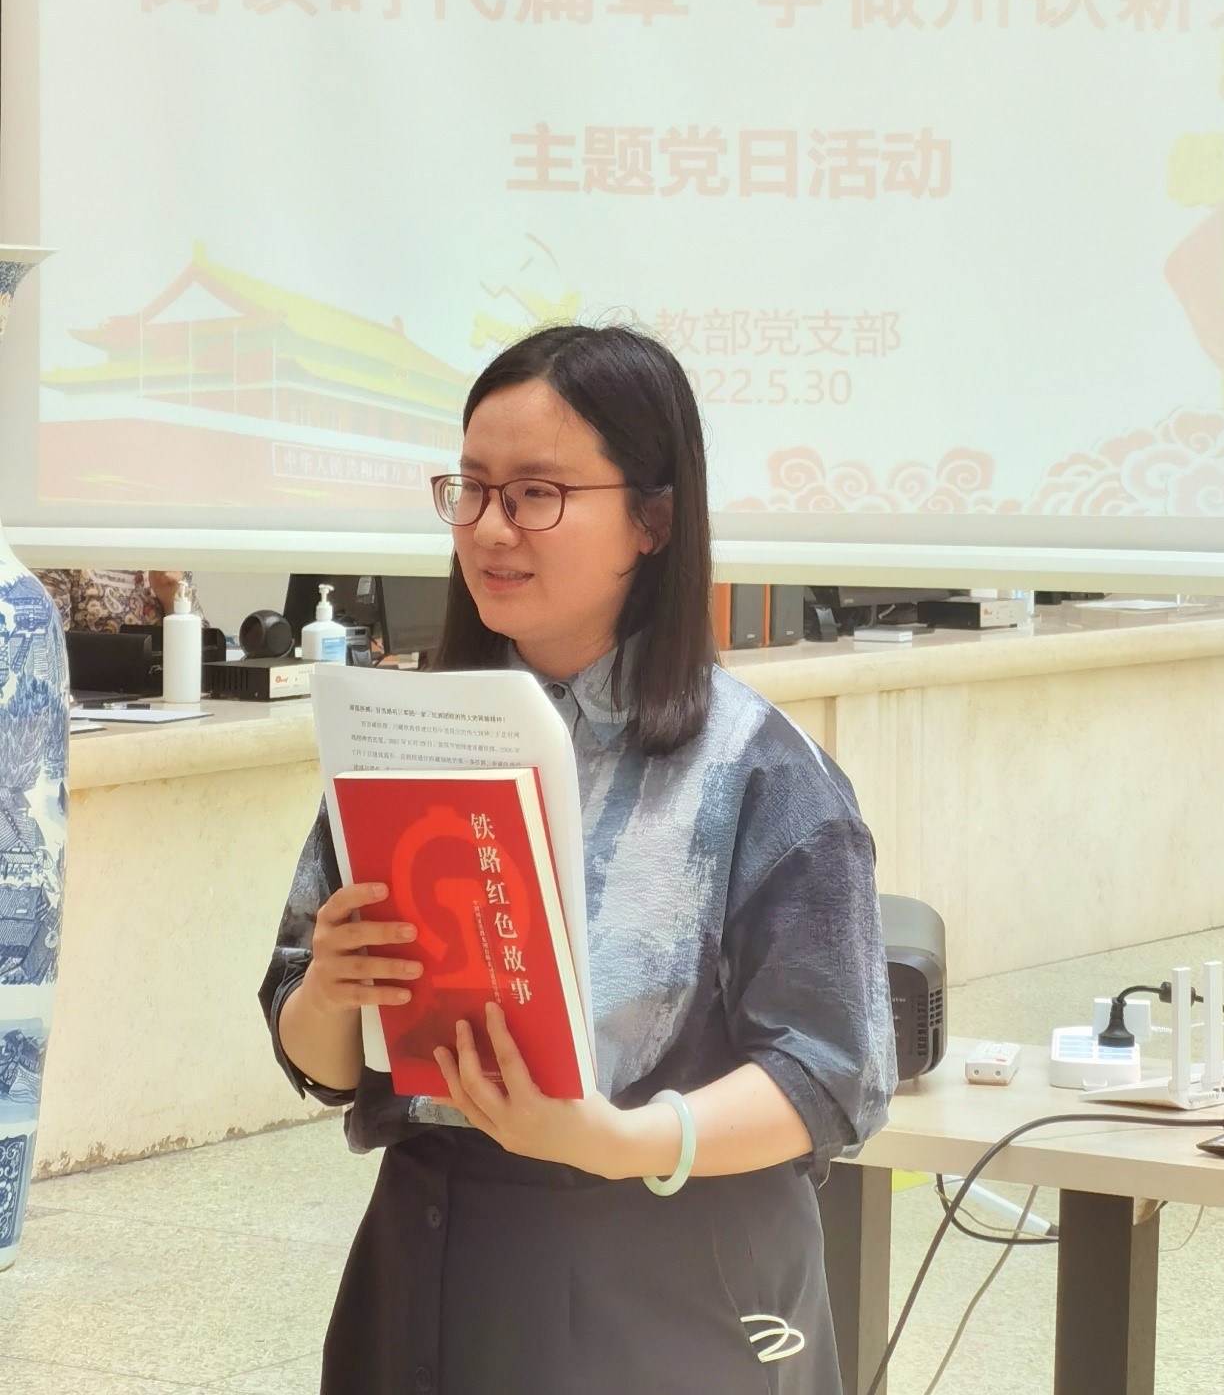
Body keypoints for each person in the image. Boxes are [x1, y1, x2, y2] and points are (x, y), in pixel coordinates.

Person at [260, 324, 898, 1394]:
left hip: (668, 1283)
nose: (490, 528)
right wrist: (330, 989)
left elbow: (833, 1074)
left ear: (652, 519)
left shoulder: (759, 770)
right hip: (421, 1263)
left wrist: (618, 1139)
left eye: (535, 494)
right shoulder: (404, 737)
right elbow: (317, 1052)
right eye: (471, 489)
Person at [37, 568, 203, 633]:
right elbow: (49, 648)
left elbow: (203, 653)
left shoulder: (168, 560)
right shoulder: (65, 561)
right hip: (91, 691)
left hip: (166, 687)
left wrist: (171, 601)